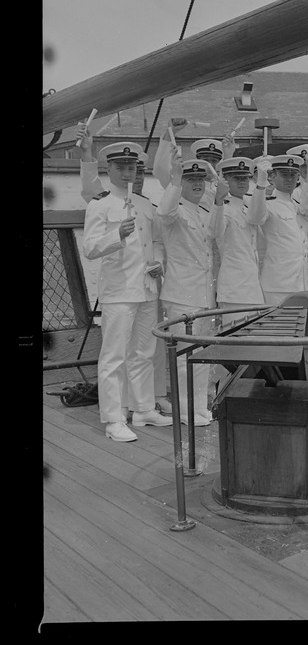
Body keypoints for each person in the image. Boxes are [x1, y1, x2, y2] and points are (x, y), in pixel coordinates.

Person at [76, 122, 173, 414]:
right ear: (109, 170)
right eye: (121, 167)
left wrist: (157, 263)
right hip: (119, 291)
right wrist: (117, 236)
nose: (128, 173)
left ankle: (143, 411)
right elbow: (90, 248)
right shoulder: (100, 205)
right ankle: (113, 417)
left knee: (144, 353)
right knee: (114, 357)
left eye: (132, 167)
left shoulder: (144, 204)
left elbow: (156, 241)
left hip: (146, 289)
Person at [158, 154, 224, 426]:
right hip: (181, 294)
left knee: (201, 355)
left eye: (200, 179)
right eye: (191, 179)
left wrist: (219, 201)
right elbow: (164, 213)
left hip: (204, 294)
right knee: (185, 356)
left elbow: (218, 235)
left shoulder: (205, 211)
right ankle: (185, 410)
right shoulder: (174, 209)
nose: (197, 184)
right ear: (180, 182)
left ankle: (199, 407)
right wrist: (173, 181)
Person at [246, 152, 308, 305]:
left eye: (293, 174)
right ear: (273, 176)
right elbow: (255, 218)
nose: (290, 179)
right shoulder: (269, 203)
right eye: (285, 174)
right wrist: (261, 183)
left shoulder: (298, 206)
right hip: (280, 284)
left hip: (304, 280)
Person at [211, 156, 264, 328]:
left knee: (253, 343)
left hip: (253, 288)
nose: (242, 182)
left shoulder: (247, 206)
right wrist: (218, 201)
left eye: (245, 178)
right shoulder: (223, 208)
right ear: (225, 180)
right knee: (235, 341)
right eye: (236, 178)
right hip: (234, 290)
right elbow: (215, 232)